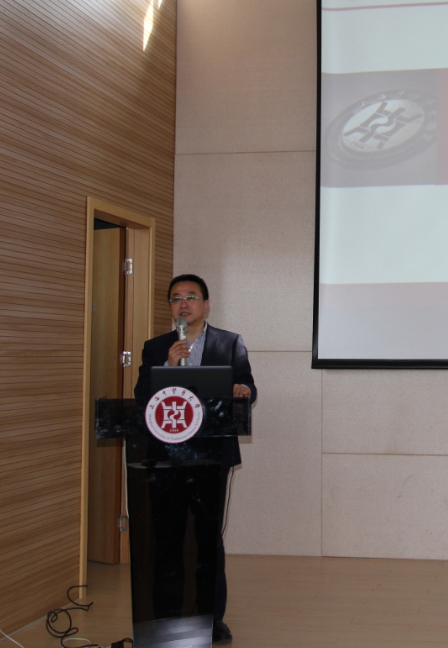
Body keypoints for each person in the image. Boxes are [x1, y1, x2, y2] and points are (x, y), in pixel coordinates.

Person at [134, 274, 256, 644]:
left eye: (191, 296)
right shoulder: (156, 347)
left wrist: (243, 390)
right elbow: (142, 397)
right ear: (170, 307)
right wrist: (168, 367)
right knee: (167, 541)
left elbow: (249, 386)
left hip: (211, 455)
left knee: (207, 541)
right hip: (166, 458)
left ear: (206, 304)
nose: (183, 304)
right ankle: (166, 618)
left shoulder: (230, 343)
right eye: (176, 298)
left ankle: (211, 620)